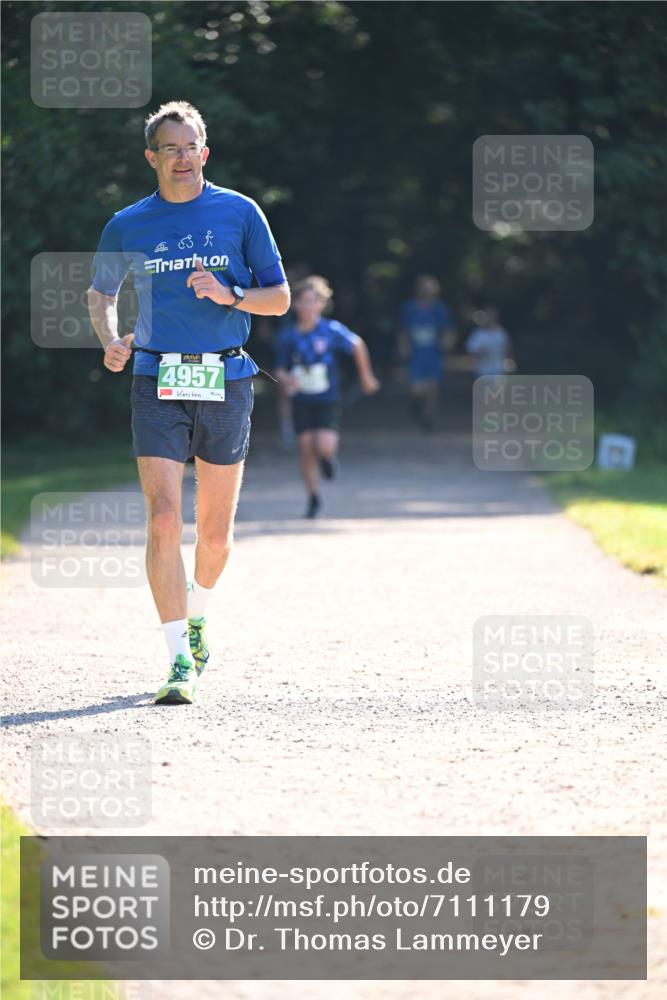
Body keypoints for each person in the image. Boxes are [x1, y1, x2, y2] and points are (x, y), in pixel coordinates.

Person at [87, 101, 290, 705]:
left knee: (216, 536)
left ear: (205, 152)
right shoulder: (127, 223)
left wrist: (230, 294)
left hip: (226, 379)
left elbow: (279, 298)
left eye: (190, 146)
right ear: (151, 157)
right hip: (156, 379)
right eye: (169, 148)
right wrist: (110, 339)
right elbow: (101, 294)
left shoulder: (240, 211)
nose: (182, 158)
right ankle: (178, 658)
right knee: (163, 519)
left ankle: (197, 616)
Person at [274, 276, 380, 518]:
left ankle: (327, 457)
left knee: (324, 444)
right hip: (301, 398)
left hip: (327, 397)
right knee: (305, 446)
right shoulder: (288, 336)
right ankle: (313, 496)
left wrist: (366, 377)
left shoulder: (331, 330)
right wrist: (286, 379)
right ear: (294, 304)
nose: (308, 307)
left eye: (313, 301)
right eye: (303, 301)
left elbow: (357, 345)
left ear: (321, 304)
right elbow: (279, 368)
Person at [398, 275, 454, 431]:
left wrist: (447, 343)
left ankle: (427, 419)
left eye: (429, 287)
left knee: (433, 389)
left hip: (434, 354)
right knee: (416, 388)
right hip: (416, 354)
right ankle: (415, 403)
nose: (426, 291)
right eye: (423, 287)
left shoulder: (440, 309)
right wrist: (403, 347)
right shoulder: (409, 308)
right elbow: (403, 331)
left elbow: (448, 330)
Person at [465, 306, 513, 377]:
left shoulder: (502, 333)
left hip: (499, 371)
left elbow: (508, 351)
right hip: (482, 372)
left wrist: (508, 366)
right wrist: (480, 352)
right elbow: (470, 352)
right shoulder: (478, 334)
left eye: (491, 315)